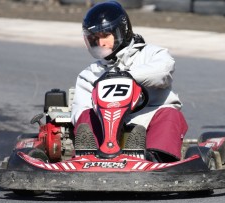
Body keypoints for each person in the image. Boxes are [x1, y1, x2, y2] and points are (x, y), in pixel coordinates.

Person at [71, 1, 188, 162]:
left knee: (170, 114)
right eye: (94, 39)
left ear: (121, 32)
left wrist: (128, 75)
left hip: (147, 118)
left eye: (105, 36)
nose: (100, 43)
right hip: (106, 127)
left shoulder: (151, 54)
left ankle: (155, 158)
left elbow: (163, 72)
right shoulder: (90, 74)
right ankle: (88, 156)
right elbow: (79, 110)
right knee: (86, 115)